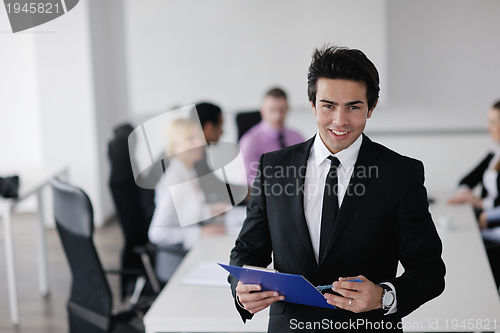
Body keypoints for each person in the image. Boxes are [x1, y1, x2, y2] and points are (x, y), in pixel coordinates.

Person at [228, 46, 445, 332]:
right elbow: (247, 251)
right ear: (312, 103)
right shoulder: (273, 167)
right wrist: (241, 290)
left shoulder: (401, 174)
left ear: (372, 107)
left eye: (353, 107)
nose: (340, 121)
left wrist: (384, 296)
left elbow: (429, 271)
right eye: (328, 105)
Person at [148, 118, 226, 283]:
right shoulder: (174, 180)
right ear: (175, 146)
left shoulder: (188, 171)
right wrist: (199, 232)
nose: (199, 142)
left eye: (199, 137)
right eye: (191, 139)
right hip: (175, 260)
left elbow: (185, 212)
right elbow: (157, 233)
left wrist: (211, 210)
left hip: (190, 250)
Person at [449, 100, 500, 288]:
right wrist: (465, 195)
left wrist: (482, 205)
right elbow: (467, 180)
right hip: (489, 221)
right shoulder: (496, 151)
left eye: (494, 122)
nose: (488, 128)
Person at [239, 88, 304, 186]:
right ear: (262, 111)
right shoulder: (250, 141)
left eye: (282, 110)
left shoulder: (297, 138)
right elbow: (248, 180)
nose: (277, 116)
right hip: (267, 196)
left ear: (287, 109)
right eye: (272, 110)